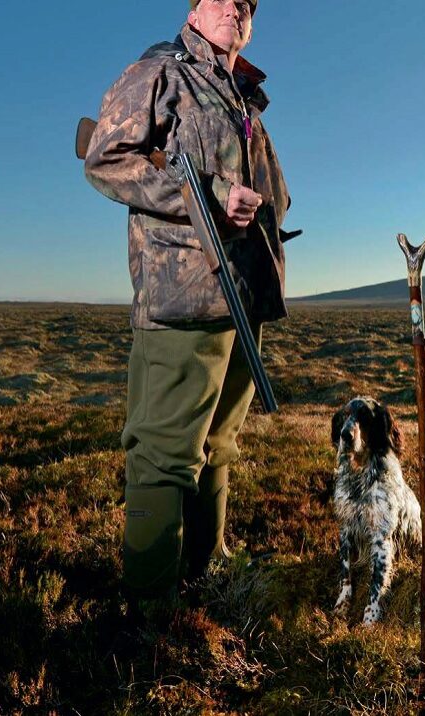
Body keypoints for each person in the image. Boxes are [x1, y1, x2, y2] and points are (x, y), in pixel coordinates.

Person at [84, 0, 293, 599]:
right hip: (183, 293)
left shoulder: (241, 93)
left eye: (249, 4)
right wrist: (201, 194)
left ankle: (207, 572)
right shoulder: (160, 73)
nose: (237, 9)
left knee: (218, 441)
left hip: (244, 292)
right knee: (164, 453)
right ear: (195, 9)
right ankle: (150, 608)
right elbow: (105, 160)